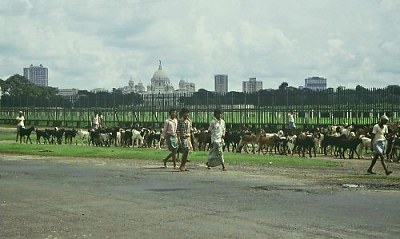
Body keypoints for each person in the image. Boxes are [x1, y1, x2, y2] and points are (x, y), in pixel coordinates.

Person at [177, 107, 193, 171]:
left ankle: (183, 165)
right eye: (185, 113)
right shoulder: (180, 121)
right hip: (183, 137)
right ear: (183, 113)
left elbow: (190, 130)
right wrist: (179, 139)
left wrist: (192, 139)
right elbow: (178, 131)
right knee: (185, 151)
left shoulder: (189, 121)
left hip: (188, 138)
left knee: (187, 152)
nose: (187, 114)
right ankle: (182, 166)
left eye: (188, 113)